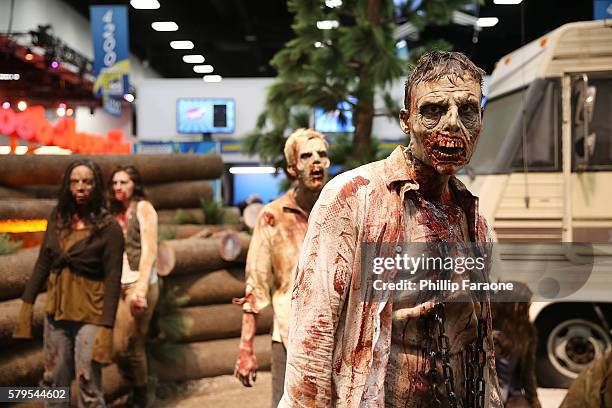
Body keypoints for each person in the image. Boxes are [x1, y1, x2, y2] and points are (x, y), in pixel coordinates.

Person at [279, 51, 502, 407]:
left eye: (467, 110)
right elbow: (313, 332)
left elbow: (478, 340)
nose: (452, 124)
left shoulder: (472, 219)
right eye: (433, 110)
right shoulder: (353, 198)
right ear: (406, 120)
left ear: (481, 120)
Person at [13, 160, 124, 407]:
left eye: (87, 181)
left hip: (91, 313)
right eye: (75, 181)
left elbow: (113, 277)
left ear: (96, 185)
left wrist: (107, 326)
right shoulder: (59, 218)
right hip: (58, 312)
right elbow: (44, 261)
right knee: (54, 381)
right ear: (67, 185)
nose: (81, 187)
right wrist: (27, 304)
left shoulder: (109, 228)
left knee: (88, 381)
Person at [233, 128, 330, 407]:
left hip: (336, 336)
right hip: (289, 336)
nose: (316, 162)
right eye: (306, 156)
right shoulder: (272, 217)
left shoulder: (342, 208)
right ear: (291, 168)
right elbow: (256, 284)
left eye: (322, 155)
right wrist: (245, 349)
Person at [108, 165, 159, 408]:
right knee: (117, 348)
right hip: (118, 285)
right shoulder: (114, 212)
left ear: (134, 185)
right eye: (115, 183)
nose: (118, 187)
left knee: (132, 344)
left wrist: (141, 289)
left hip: (140, 284)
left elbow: (149, 251)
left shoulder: (143, 208)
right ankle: (134, 387)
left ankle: (141, 397)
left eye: (124, 182)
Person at [492, 283, 541, 408]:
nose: (525, 308)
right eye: (523, 304)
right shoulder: (490, 325)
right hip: (490, 391)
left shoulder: (527, 332)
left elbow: (528, 373)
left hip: (512, 395)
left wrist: (534, 401)